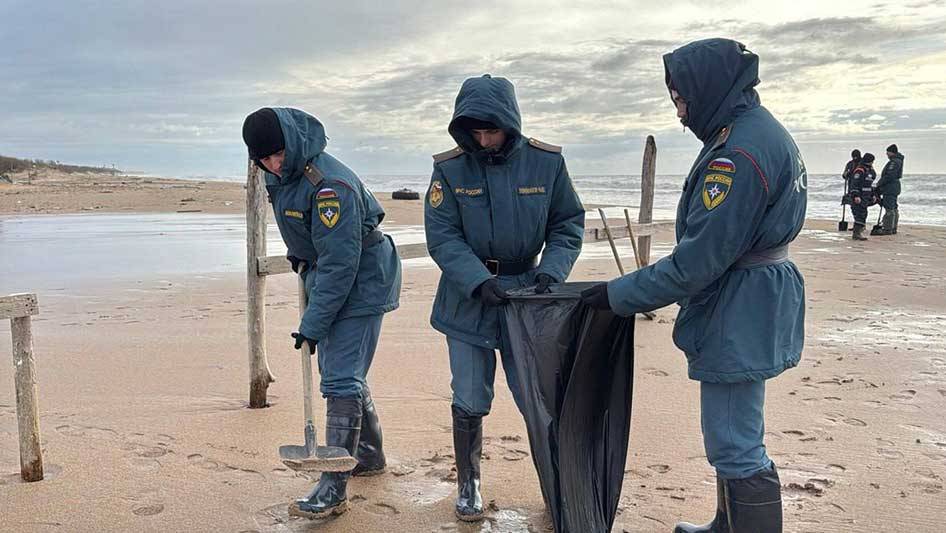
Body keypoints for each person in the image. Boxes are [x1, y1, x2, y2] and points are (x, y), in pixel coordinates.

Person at [581, 39, 806, 532]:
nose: (680, 114)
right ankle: (725, 523)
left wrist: (616, 295)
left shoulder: (737, 154)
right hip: (755, 294)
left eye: (682, 100)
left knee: (735, 440)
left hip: (740, 302)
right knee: (736, 429)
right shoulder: (757, 131)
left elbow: (695, 264)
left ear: (709, 89)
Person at [424, 74, 585, 522]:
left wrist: (551, 272)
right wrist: (477, 280)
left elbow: (567, 223)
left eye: (491, 130)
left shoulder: (546, 163)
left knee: (538, 396)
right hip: (467, 298)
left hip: (528, 298)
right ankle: (469, 483)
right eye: (474, 131)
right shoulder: (450, 169)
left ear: (510, 124)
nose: (483, 139)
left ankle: (556, 485)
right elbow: (442, 235)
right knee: (471, 395)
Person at [242, 107, 402, 519]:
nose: (274, 164)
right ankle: (368, 454)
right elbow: (304, 230)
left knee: (340, 378)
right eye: (265, 159)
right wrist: (299, 255)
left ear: (291, 145)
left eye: (278, 154)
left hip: (362, 276)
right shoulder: (278, 175)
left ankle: (333, 485)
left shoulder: (330, 186)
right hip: (328, 273)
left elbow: (340, 262)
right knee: (341, 371)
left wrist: (312, 324)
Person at [874, 144, 904, 235]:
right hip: (893, 187)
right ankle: (893, 228)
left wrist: (879, 184)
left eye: (888, 152)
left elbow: (889, 176)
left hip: (890, 187)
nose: (887, 154)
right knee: (893, 208)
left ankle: (887, 229)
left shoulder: (894, 162)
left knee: (889, 208)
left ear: (892, 152)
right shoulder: (897, 160)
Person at [850, 152, 877, 240]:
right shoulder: (860, 170)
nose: (872, 163)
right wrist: (855, 196)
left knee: (863, 213)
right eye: (871, 162)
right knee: (860, 214)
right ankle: (856, 233)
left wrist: (873, 195)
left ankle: (859, 231)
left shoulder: (870, 171)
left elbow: (869, 184)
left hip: (866, 196)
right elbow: (854, 184)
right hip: (859, 196)